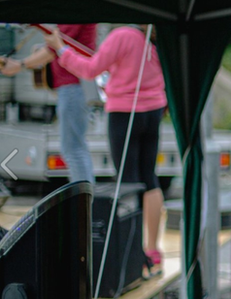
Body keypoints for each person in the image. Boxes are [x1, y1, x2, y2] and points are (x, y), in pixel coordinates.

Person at [45, 25, 169, 266]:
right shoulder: (156, 39)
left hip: (125, 111)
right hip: (153, 110)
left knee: (127, 179)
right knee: (149, 177)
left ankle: (132, 251)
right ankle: (153, 249)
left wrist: (61, 49)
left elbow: (90, 70)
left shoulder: (122, 36)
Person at [1, 25, 98, 184]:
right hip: (74, 86)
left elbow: (54, 47)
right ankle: (84, 201)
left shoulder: (73, 15)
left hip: (73, 86)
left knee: (73, 149)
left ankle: (84, 203)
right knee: (74, 148)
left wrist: (20, 65)